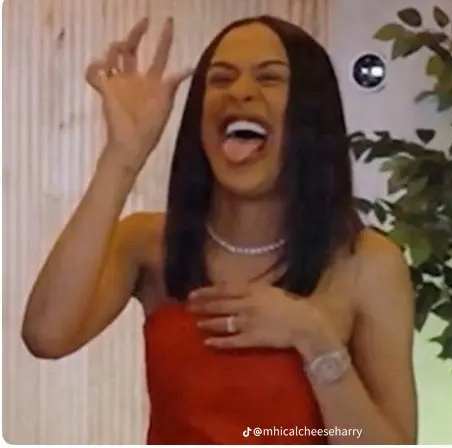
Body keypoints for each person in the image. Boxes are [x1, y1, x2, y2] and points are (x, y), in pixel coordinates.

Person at [22, 14, 417, 445]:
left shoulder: (367, 263)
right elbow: (46, 335)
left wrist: (313, 338)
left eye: (268, 77)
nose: (239, 91)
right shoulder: (148, 243)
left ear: (310, 114)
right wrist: (122, 157)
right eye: (221, 78)